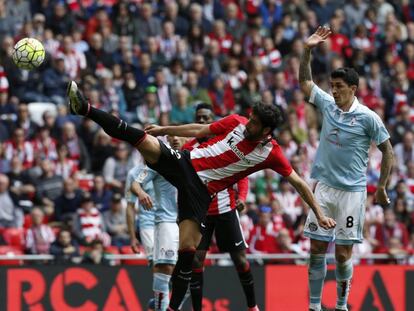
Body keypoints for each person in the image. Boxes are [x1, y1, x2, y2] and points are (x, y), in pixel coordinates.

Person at [67, 80, 335, 311]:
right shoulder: (237, 122)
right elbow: (200, 130)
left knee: (188, 255)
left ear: (266, 130)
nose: (248, 122)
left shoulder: (271, 153)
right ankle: (85, 108)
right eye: (250, 117)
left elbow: (299, 183)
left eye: (254, 122)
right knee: (139, 137)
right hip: (186, 163)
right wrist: (164, 130)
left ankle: (173, 307)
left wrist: (320, 214)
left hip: (201, 193)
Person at [298, 26, 394, 311]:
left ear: (353, 89)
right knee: (316, 249)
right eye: (333, 85)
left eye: (339, 87)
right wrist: (307, 50)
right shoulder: (327, 105)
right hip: (325, 189)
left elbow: (387, 150)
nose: (334, 90)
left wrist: (382, 187)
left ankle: (341, 305)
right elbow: (305, 84)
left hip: (352, 193)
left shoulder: (369, 118)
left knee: (342, 254)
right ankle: (314, 306)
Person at [181, 103, 258, 311]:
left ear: (214, 120)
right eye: (199, 118)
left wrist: (241, 197)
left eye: (207, 118)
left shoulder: (225, 142)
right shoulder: (188, 148)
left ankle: (252, 306)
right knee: (197, 261)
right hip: (201, 213)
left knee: (240, 260)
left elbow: (241, 173)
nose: (203, 122)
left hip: (225, 209)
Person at [126, 155, 179, 311]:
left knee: (173, 266)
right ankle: (159, 305)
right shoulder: (133, 174)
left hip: (170, 221)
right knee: (159, 264)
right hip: (148, 224)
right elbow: (130, 206)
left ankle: (161, 303)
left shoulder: (166, 165)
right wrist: (132, 237)